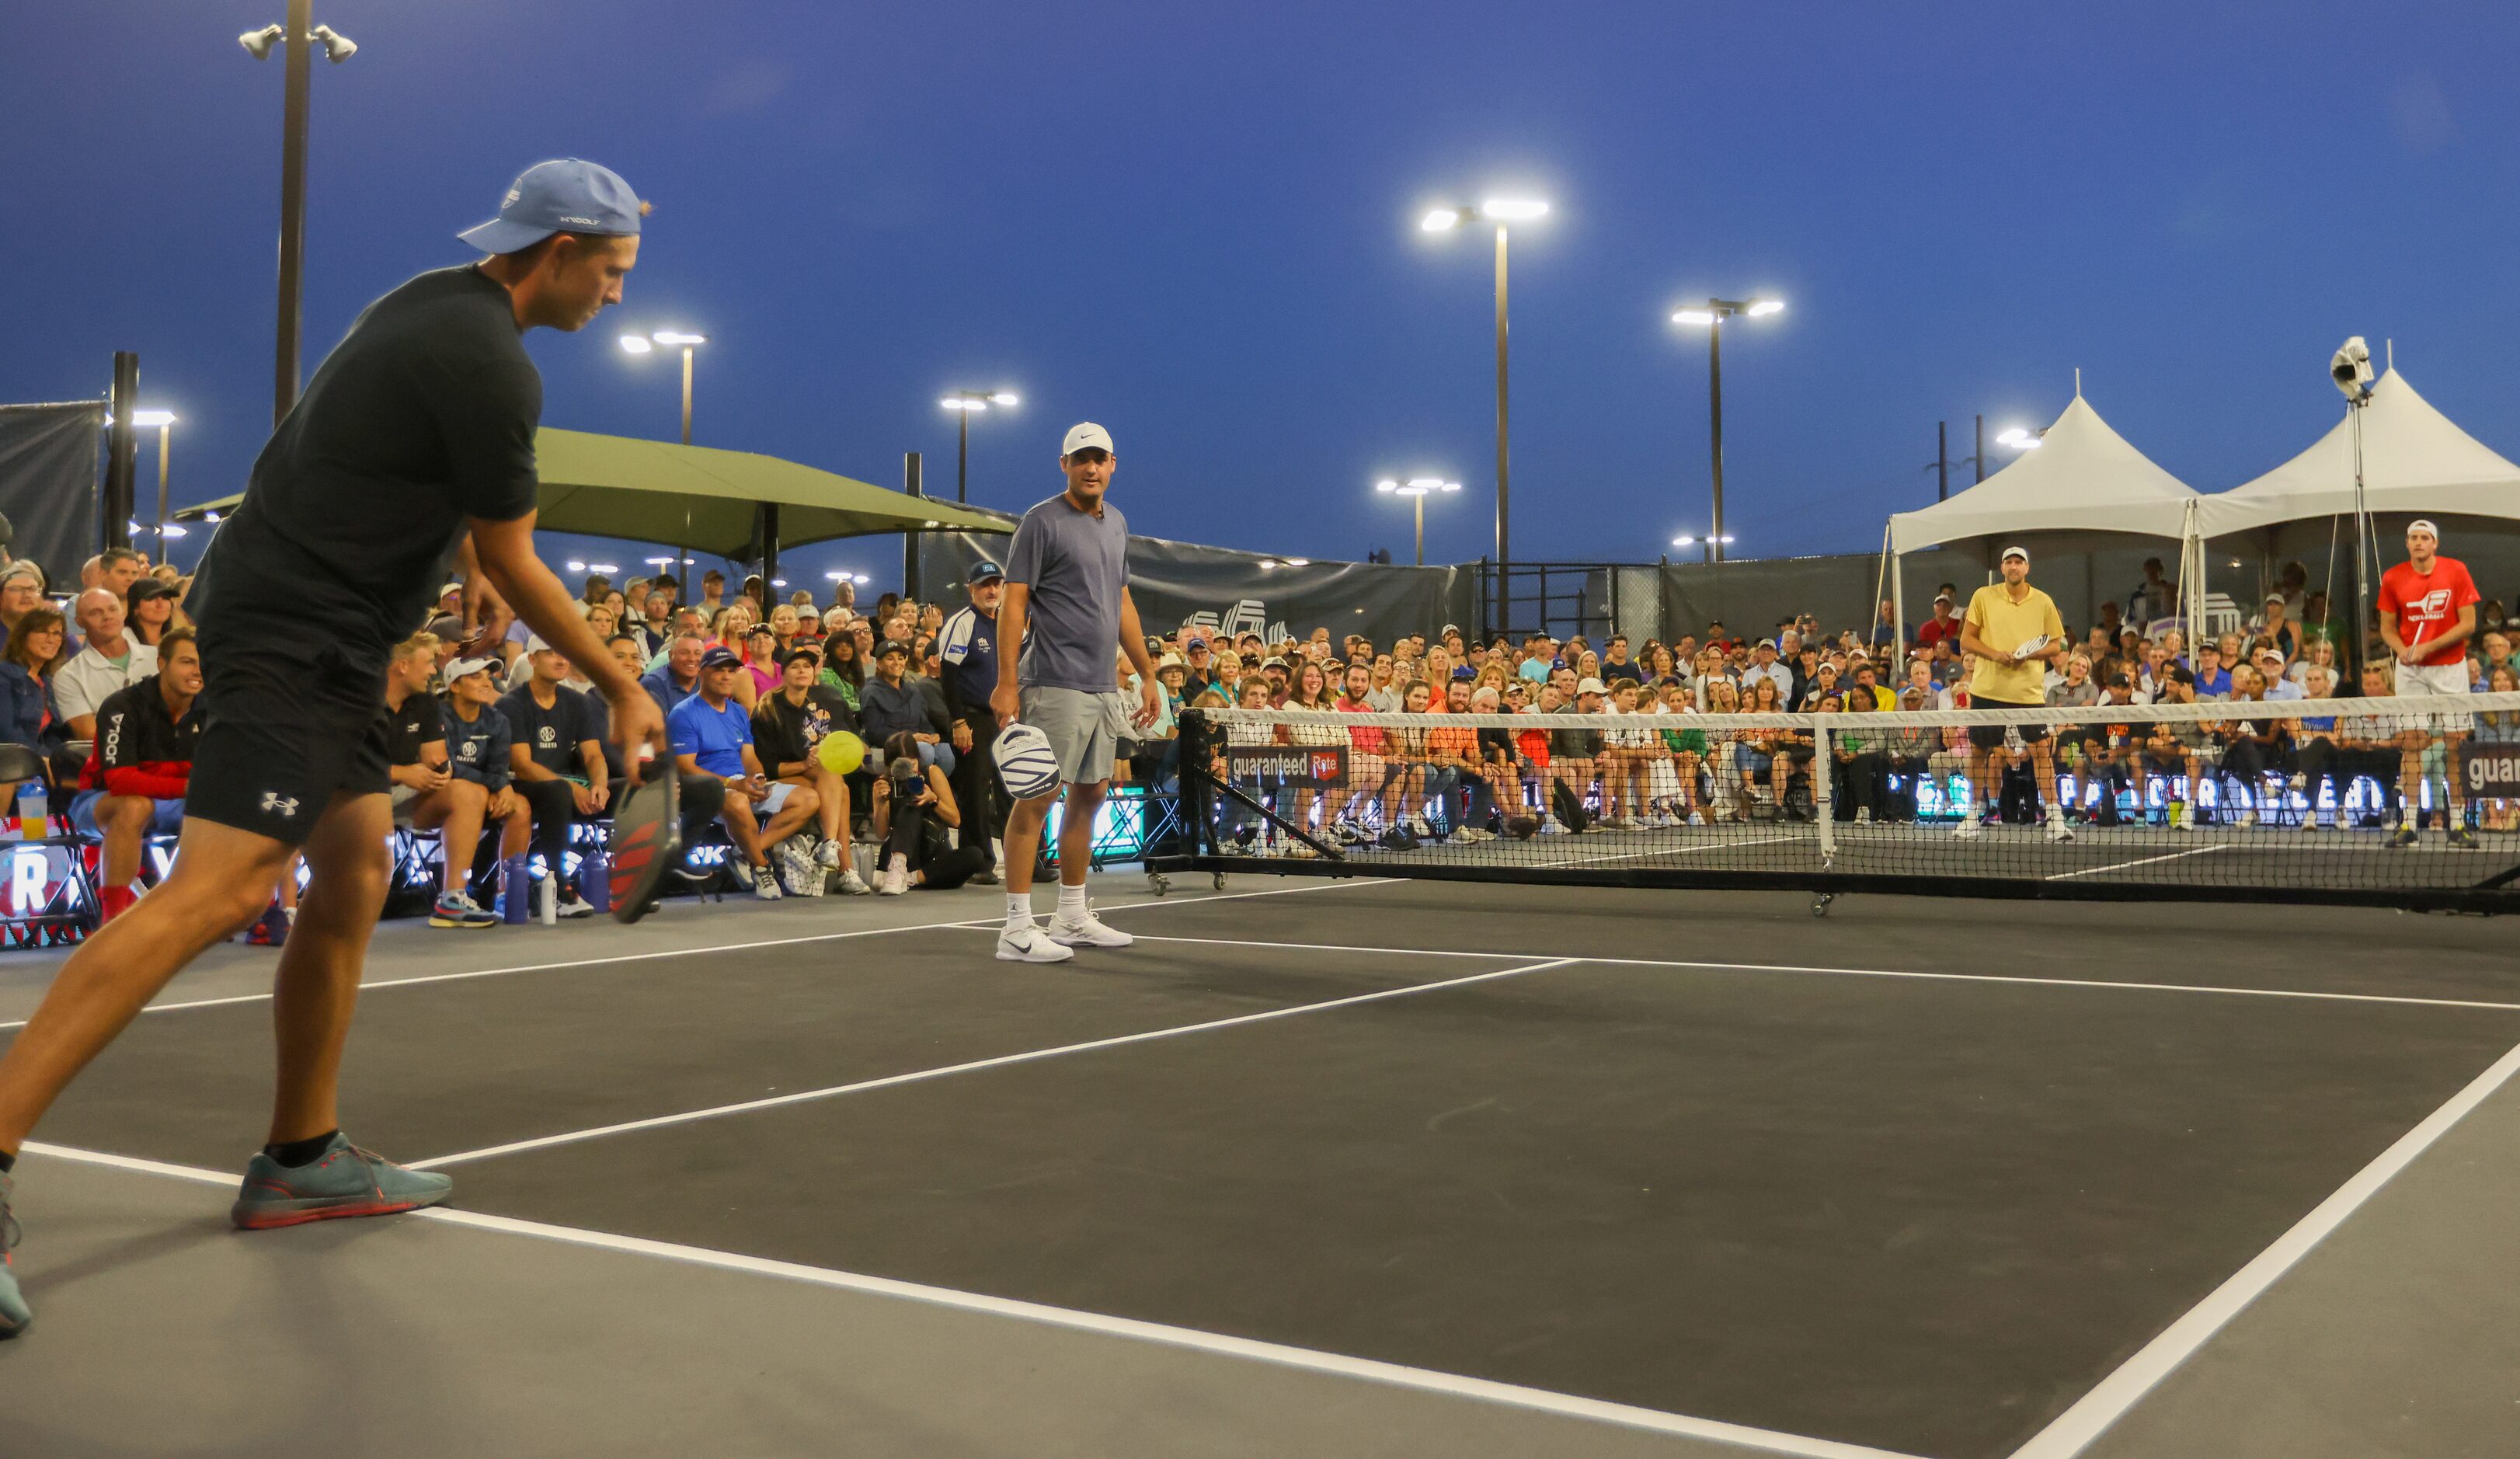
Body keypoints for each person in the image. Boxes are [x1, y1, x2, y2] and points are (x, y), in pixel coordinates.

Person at [0, 159, 672, 1338]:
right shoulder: (489, 362)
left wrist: (459, 589)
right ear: (557, 252)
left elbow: (459, 512)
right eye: (612, 274)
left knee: (355, 870)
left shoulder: (437, 304)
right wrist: (622, 679)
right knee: (224, 887)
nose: (617, 297)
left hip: (341, 636)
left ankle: (303, 1155)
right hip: (292, 636)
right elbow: (513, 550)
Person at [989, 423, 1159, 963]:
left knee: (1089, 797)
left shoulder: (1119, 524)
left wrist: (1148, 673)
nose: (1091, 467)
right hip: (1052, 683)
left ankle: (1071, 916)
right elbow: (1014, 604)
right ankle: (1016, 928)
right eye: (1080, 458)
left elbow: (1123, 604)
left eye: (1099, 458)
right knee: (1037, 798)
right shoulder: (1041, 522)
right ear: (1064, 464)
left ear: (1113, 464)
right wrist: (1007, 682)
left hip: (1104, 686)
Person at [68, 629, 203, 924]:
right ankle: (114, 919)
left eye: (202, 663)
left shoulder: (210, 710)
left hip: (175, 802)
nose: (197, 671)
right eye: (187, 662)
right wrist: (190, 785)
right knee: (135, 805)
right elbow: (121, 781)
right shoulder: (124, 705)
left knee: (228, 807)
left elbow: (218, 776)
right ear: (161, 663)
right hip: (101, 801)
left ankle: (199, 907)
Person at [669, 646, 821, 898]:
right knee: (739, 801)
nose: (727, 676)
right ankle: (761, 866)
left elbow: (749, 756)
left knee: (809, 798)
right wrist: (733, 784)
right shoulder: (684, 713)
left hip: (742, 783)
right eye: (719, 671)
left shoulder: (738, 712)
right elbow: (685, 767)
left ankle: (744, 850)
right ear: (703, 674)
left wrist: (758, 779)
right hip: (707, 791)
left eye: (731, 671)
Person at [1955, 545, 2072, 841]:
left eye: (2019, 562)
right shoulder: (1983, 596)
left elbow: (2057, 646)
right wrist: (1995, 655)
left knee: (2042, 751)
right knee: (1980, 752)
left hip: (2027, 693)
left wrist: (2027, 657)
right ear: (2002, 567)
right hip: (1987, 689)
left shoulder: (2043, 601)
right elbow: (1967, 640)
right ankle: (1972, 814)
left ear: (2027, 568)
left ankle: (2055, 818)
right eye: (2009, 562)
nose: (2014, 566)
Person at [2377, 520, 2481, 848]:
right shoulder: (2393, 577)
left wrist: (2429, 647)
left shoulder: (2456, 571)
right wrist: (2402, 651)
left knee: (2455, 745)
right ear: (2407, 543)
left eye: (2425, 538)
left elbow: (2468, 623)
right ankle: (2408, 823)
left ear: (2435, 544)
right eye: (2413, 538)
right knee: (2411, 744)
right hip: (2411, 670)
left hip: (2450, 668)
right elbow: (2387, 628)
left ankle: (2457, 823)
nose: (2419, 543)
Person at [497, 636, 607, 918]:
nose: (560, 660)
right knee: (556, 791)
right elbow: (522, 765)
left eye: (564, 654)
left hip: (563, 786)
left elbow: (593, 755)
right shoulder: (511, 704)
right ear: (532, 660)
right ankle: (560, 885)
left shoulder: (577, 702)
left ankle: (628, 881)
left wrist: (600, 785)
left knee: (630, 789)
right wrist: (570, 786)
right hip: (522, 784)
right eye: (550, 653)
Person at [749, 643, 871, 894]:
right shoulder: (767, 708)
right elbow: (767, 765)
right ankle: (843, 866)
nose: (802, 671)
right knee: (840, 790)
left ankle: (833, 852)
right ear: (784, 673)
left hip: (810, 776)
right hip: (774, 779)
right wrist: (804, 764)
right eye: (795, 667)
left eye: (807, 666)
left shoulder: (818, 706)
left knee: (837, 783)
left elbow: (835, 746)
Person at [438, 656, 535, 923]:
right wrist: (497, 785)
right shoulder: (437, 714)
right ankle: (452, 894)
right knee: (473, 792)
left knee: (520, 807)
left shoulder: (497, 720)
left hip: (481, 793)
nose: (486, 682)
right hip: (436, 795)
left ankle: (506, 894)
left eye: (487, 676)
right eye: (475, 677)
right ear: (455, 686)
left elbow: (498, 767)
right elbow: (446, 767)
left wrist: (501, 787)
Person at [868, 730, 993, 895]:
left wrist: (933, 800)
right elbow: (881, 833)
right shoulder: (884, 784)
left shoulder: (932, 773)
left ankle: (911, 878)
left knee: (975, 855)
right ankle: (900, 870)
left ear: (918, 759)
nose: (908, 772)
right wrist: (881, 803)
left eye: (912, 764)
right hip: (900, 849)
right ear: (890, 766)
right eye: (901, 767)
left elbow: (955, 820)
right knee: (911, 807)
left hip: (933, 850)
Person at [54, 588, 158, 743]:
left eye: (113, 609)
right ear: (80, 622)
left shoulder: (159, 658)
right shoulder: (68, 676)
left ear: (124, 613)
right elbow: (90, 735)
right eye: (95, 612)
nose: (107, 616)